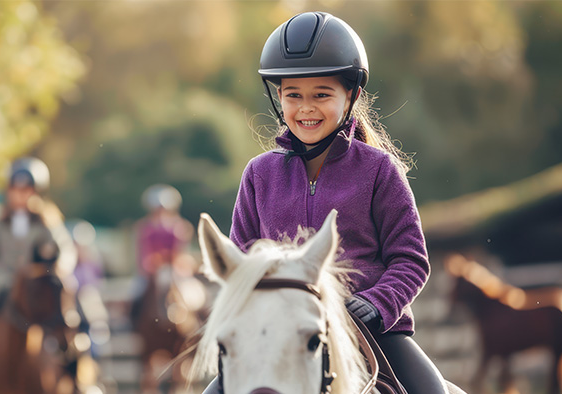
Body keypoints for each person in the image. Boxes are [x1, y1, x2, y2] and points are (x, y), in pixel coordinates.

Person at [208, 12, 447, 394]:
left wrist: (377, 304)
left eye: (321, 94)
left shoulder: (380, 170)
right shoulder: (258, 174)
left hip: (372, 331)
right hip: (278, 335)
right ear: (278, 98)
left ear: (350, 94)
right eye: (293, 96)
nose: (306, 108)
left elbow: (411, 260)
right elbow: (241, 265)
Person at [0, 157, 70, 393]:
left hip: (40, 296)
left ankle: (76, 375)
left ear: (36, 192)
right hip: (1, 292)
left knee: (72, 322)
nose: (21, 195)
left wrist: (45, 273)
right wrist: (12, 280)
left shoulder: (48, 222)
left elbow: (65, 253)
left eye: (27, 190)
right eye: (16, 189)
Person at [130, 184, 193, 322]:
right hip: (151, 271)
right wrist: (151, 266)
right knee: (136, 295)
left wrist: (174, 264)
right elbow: (143, 253)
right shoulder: (145, 228)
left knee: (194, 297)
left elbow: (180, 251)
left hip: (175, 269)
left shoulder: (179, 227)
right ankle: (133, 323)